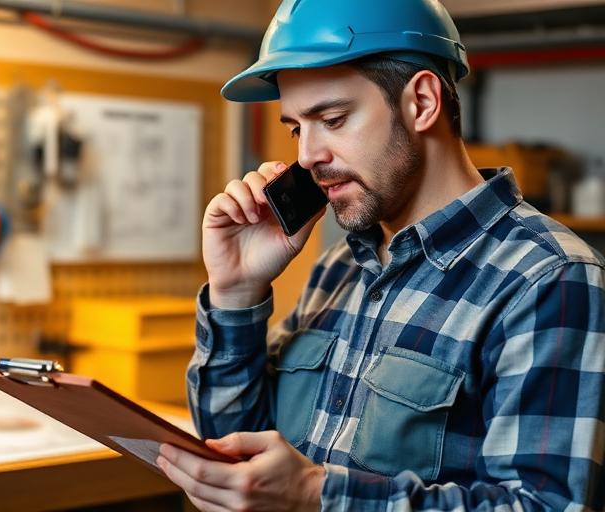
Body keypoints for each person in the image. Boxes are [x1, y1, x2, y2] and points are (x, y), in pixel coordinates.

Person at [155, 0, 605, 510]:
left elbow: (545, 505)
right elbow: (238, 462)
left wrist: (315, 494)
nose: (307, 157)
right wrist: (236, 294)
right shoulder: (339, 269)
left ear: (422, 102)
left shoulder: (547, 280)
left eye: (333, 118)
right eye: (297, 128)